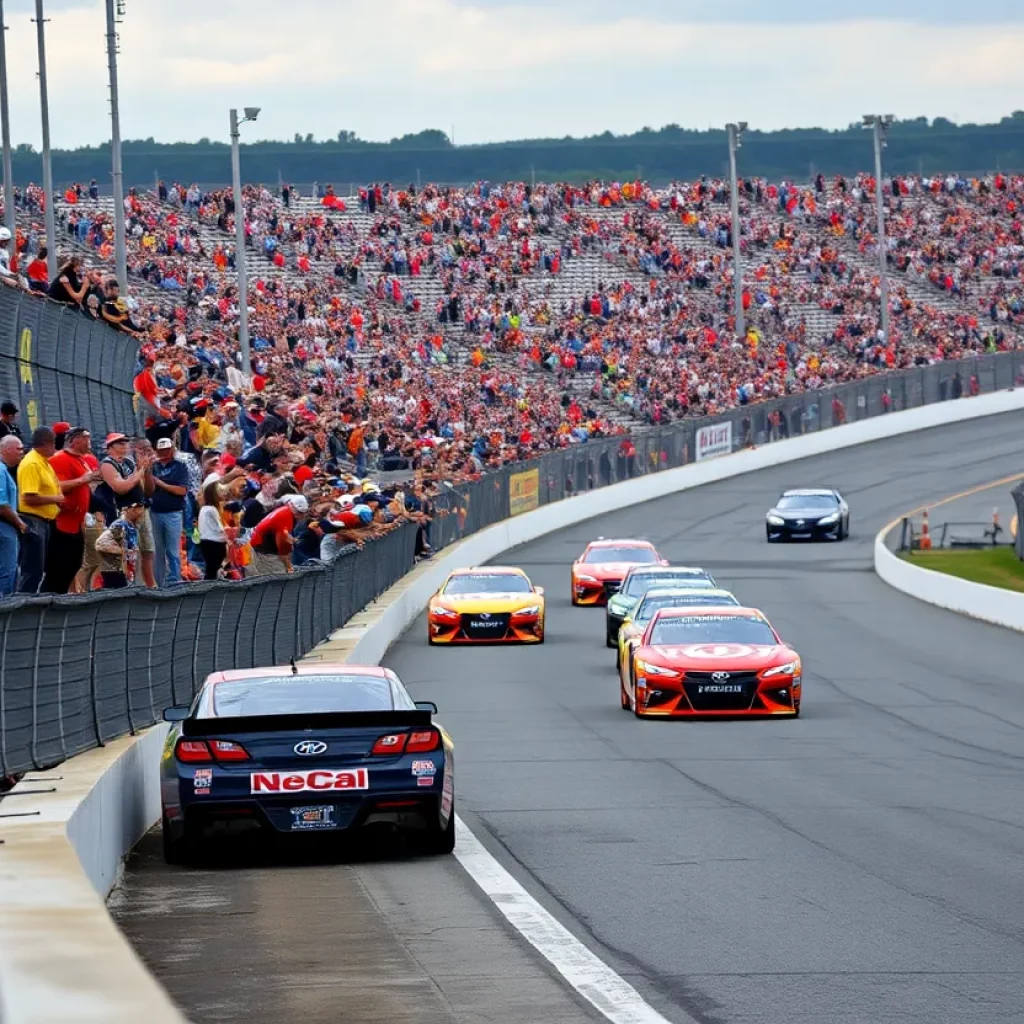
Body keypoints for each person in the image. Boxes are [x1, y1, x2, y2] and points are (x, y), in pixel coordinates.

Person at [96, 433, 156, 587]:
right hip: (123, 513)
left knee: (147, 550)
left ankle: (149, 585)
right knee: (127, 552)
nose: (124, 446)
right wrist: (140, 470)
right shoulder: (107, 464)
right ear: (110, 448)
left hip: (141, 510)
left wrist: (147, 470)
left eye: (125, 443)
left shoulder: (129, 461)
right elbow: (120, 488)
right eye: (120, 443)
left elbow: (147, 490)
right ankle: (126, 585)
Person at [45, 426, 97, 593]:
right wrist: (82, 480)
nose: (89, 441)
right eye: (86, 437)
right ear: (74, 440)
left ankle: (59, 596)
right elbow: (56, 487)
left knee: (74, 564)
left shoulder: (81, 460)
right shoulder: (60, 459)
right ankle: (49, 598)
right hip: (62, 523)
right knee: (60, 567)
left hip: (76, 523)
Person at [16, 427, 63, 593]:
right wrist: (55, 499)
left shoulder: (43, 461)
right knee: (32, 570)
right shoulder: (32, 464)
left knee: (39, 569)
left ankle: (33, 600)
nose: (55, 447)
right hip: (33, 521)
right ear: (45, 443)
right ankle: (23, 603)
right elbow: (28, 498)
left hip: (44, 522)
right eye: (53, 443)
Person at [150, 437, 189, 586]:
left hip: (173, 512)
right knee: (157, 550)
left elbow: (182, 490)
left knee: (173, 549)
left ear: (172, 449)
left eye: (167, 449)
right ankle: (158, 582)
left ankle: (175, 579)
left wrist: (161, 484)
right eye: (162, 450)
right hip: (155, 511)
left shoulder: (180, 466)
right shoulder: (153, 467)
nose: (165, 452)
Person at [248, 493, 308, 575]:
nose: (304, 516)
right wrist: (289, 567)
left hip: (260, 542)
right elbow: (283, 552)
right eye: (301, 513)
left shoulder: (286, 510)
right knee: (281, 575)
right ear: (295, 510)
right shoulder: (285, 520)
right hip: (263, 551)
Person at [94, 500, 146, 589]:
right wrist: (122, 552)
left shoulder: (131, 525)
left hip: (121, 571)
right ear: (129, 510)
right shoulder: (120, 525)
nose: (141, 512)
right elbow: (100, 543)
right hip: (114, 571)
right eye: (138, 509)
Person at [0, 435, 27, 596]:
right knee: (8, 571)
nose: (22, 452)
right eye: (19, 449)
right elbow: (2, 505)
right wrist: (19, 523)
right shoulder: (1, 470)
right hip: (4, 526)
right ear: (6, 449)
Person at [198, 479, 229, 580]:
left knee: (210, 569)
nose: (223, 493)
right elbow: (219, 529)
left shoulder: (204, 509)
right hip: (214, 543)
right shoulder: (211, 510)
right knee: (212, 570)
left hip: (205, 542)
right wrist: (229, 534)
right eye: (220, 491)